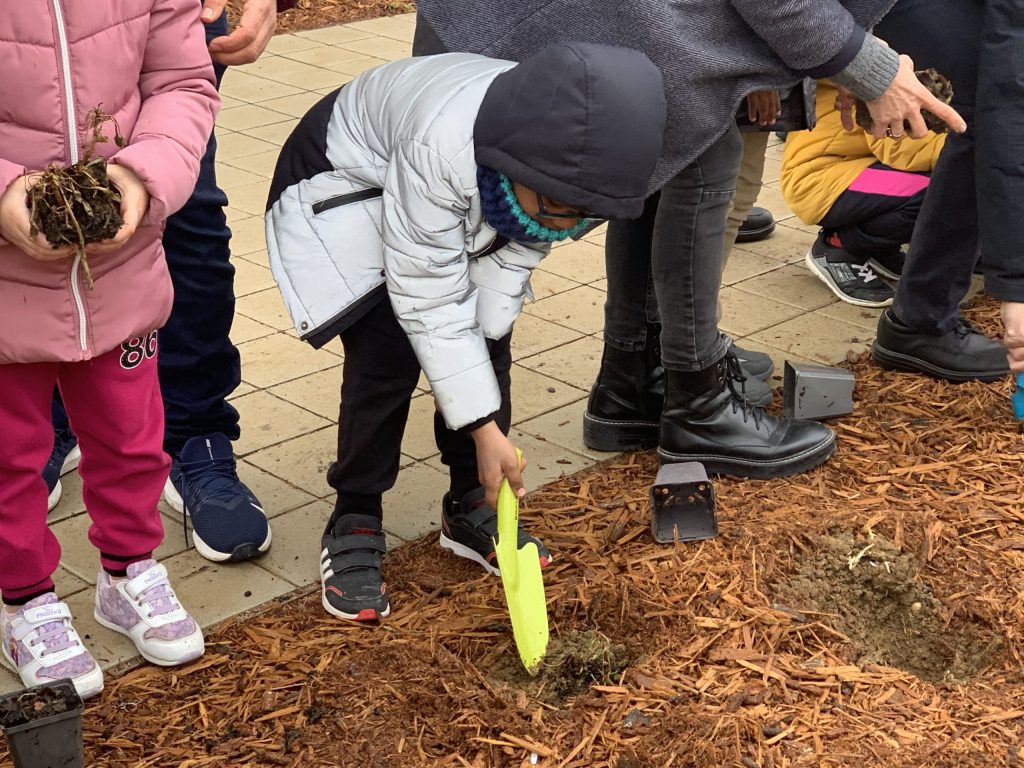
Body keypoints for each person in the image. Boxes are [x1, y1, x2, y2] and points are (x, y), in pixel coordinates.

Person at [415, 0, 965, 476]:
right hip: (494, 41)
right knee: (703, 151)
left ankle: (633, 380)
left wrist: (856, 56)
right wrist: (864, 65)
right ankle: (696, 406)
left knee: (668, 143)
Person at [265, 44, 667, 620]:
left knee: (487, 342)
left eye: (581, 214)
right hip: (343, 184)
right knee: (388, 349)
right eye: (556, 208)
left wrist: (485, 367)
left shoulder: (566, 165)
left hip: (444, 193)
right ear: (520, 164)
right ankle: (354, 514)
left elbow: (513, 261)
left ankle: (470, 504)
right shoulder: (442, 144)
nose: (565, 225)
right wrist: (483, 426)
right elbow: (426, 296)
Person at [0, 0, 219, 699]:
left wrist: (139, 176)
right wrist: (6, 192)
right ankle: (25, 599)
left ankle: (127, 573)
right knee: (10, 456)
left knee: (131, 439)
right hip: (6, 283)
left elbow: (182, 82)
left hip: (119, 269)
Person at [45, 0, 297, 564]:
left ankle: (194, 436)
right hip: (27, 36)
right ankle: (53, 421)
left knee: (183, 219)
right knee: (43, 222)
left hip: (168, 20)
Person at [864, 0, 1017, 382]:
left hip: (893, 164)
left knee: (986, 135)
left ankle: (920, 313)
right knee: (985, 134)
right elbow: (1005, 118)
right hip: (836, 179)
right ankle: (838, 243)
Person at [782, 79, 945, 307]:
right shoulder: (885, 65)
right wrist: (961, 141)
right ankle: (838, 246)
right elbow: (897, 148)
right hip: (819, 177)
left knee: (941, 186)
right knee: (936, 192)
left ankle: (877, 246)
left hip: (856, 164)